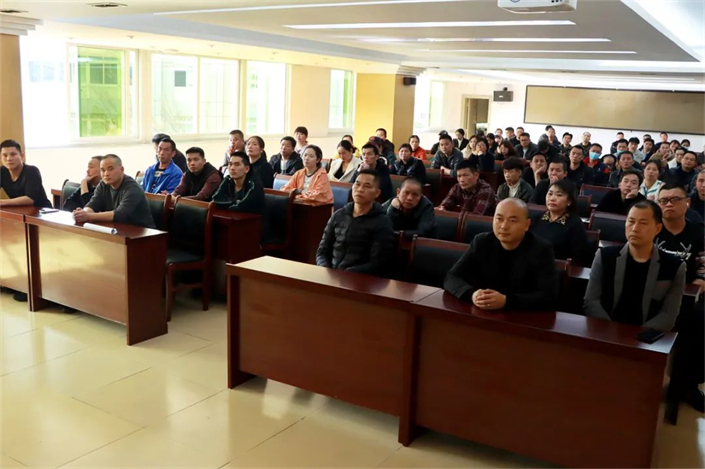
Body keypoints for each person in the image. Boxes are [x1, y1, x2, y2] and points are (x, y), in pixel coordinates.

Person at [584, 201, 685, 331]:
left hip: (645, 337)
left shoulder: (674, 266)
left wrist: (637, 335)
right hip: (605, 331)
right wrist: (610, 331)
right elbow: (591, 301)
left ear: (658, 228)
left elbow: (668, 315)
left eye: (643, 223)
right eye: (631, 221)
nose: (635, 228)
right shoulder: (605, 256)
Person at [444, 198, 558, 310]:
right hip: (481, 312)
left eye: (512, 220)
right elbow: (451, 278)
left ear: (526, 225)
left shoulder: (541, 249)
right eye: (499, 219)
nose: (504, 226)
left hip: (519, 316)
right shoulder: (482, 242)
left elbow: (549, 296)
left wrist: (506, 301)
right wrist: (473, 295)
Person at [656, 183, 705, 412]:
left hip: (689, 295)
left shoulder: (698, 232)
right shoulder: (652, 226)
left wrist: (701, 281)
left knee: (699, 321)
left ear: (687, 202)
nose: (668, 204)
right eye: (663, 200)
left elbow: (703, 268)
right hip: (654, 291)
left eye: (674, 199)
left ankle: (689, 385)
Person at [316, 169, 394, 276]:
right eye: (357, 184)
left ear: (377, 193)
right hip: (331, 276)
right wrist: (325, 270)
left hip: (359, 279)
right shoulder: (339, 215)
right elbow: (322, 251)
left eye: (367, 186)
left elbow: (378, 263)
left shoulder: (382, 222)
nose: (360, 189)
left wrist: (346, 275)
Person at [74, 154, 155, 228]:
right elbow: (92, 204)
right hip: (117, 228)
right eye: (103, 170)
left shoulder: (132, 188)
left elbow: (119, 215)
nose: (106, 174)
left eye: (110, 169)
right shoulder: (103, 184)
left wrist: (88, 216)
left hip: (142, 232)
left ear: (121, 169)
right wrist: (82, 213)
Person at [530, 179, 589, 264]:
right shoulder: (535, 219)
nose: (552, 198)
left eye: (559, 195)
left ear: (569, 201)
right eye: (550, 194)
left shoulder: (575, 225)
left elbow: (577, 258)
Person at [0, 139, 51, 208]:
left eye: (13, 154)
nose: (9, 159)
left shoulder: (32, 171)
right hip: (19, 210)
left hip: (41, 210)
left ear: (22, 156)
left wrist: (2, 202)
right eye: (5, 155)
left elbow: (30, 199)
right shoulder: (2, 171)